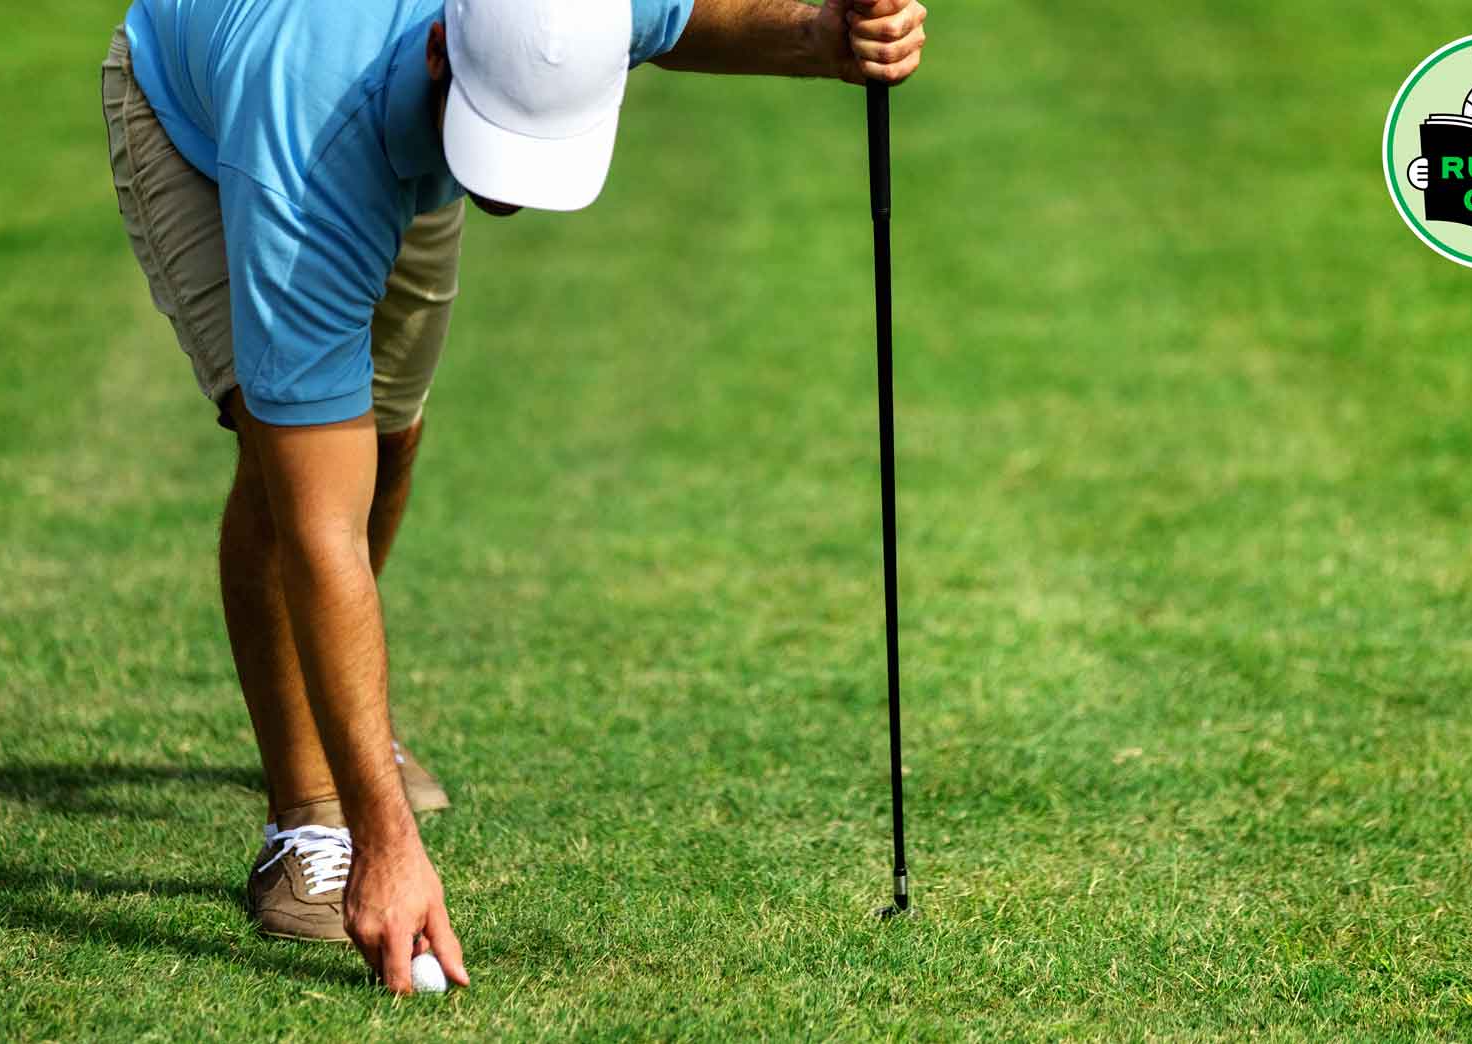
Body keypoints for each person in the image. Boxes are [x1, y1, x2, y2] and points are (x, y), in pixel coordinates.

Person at [101, 0, 928, 994]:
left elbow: (686, 19)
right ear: (446, 52)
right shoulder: (302, 156)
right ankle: (308, 816)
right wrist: (385, 840)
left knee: (391, 434)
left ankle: (348, 726)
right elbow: (321, 534)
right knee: (295, 476)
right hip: (206, 113)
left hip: (396, 117)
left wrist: (823, 38)